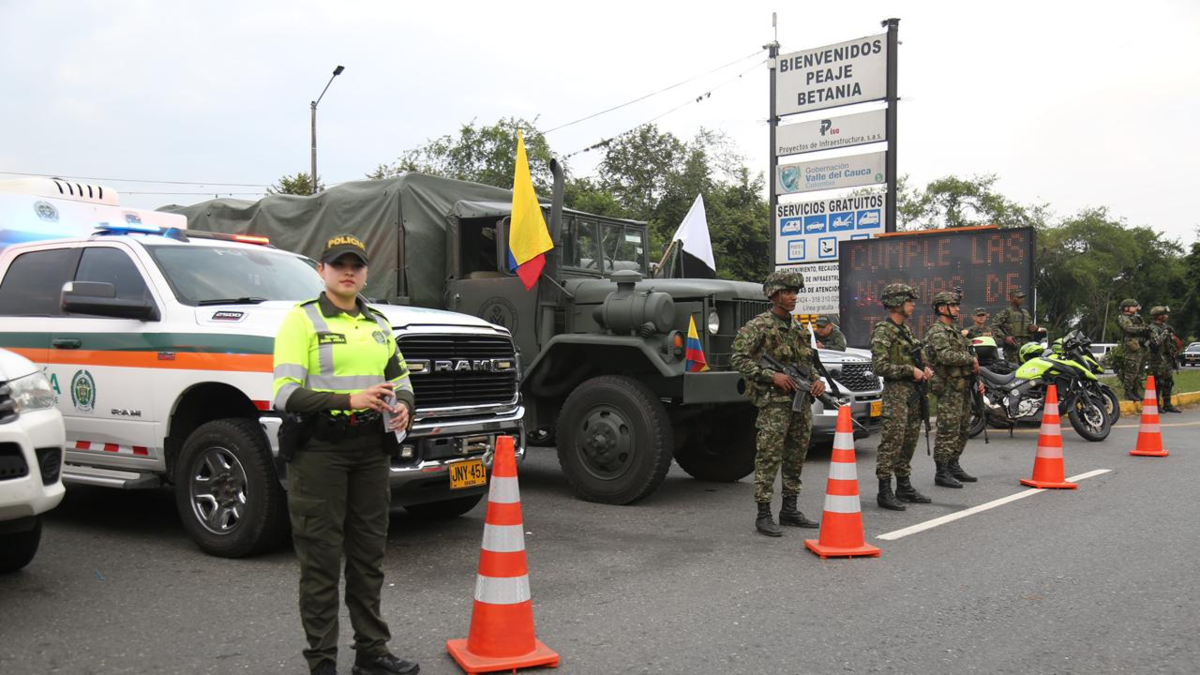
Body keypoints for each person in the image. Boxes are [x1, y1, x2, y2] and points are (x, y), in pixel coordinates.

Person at [273, 234, 420, 675]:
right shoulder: (302, 321)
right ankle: (322, 664)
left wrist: (405, 406)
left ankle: (372, 653)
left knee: (368, 557)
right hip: (321, 452)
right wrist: (348, 400)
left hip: (370, 452)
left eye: (356, 265)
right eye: (339, 265)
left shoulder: (377, 323)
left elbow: (403, 377)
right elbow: (284, 395)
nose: (349, 272)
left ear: (366, 272)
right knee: (320, 561)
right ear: (322, 271)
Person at [731, 270, 826, 537]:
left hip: (800, 403)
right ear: (774, 294)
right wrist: (773, 376)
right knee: (769, 457)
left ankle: (789, 509)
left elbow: (807, 364)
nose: (793, 296)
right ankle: (764, 514)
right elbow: (739, 359)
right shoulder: (758, 326)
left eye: (795, 292)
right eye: (787, 292)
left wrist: (817, 381)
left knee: (796, 457)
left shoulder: (797, 328)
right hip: (774, 404)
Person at [870, 283, 932, 511]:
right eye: (908, 301)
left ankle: (904, 486)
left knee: (909, 441)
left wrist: (925, 369)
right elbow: (880, 366)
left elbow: (918, 358)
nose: (912, 305)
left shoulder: (905, 330)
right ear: (896, 304)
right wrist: (909, 370)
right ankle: (884, 490)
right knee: (892, 442)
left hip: (913, 395)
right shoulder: (883, 331)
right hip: (896, 395)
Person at [925, 292, 981, 488]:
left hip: (963, 386)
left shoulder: (955, 331)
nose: (957, 308)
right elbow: (946, 356)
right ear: (942, 308)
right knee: (948, 429)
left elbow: (968, 352)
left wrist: (977, 378)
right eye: (953, 305)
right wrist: (970, 360)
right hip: (948, 387)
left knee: (963, 428)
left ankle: (953, 464)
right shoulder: (937, 332)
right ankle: (942, 472)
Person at [1147, 306, 1183, 413]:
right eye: (1165, 314)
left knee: (1169, 382)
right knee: (1159, 382)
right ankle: (1156, 405)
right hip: (1157, 360)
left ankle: (1167, 404)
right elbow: (1156, 342)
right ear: (1158, 316)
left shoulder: (1166, 327)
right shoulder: (1152, 328)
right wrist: (1165, 332)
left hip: (1167, 359)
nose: (1167, 316)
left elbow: (1171, 342)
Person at [1116, 298, 1151, 402]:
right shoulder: (1123, 318)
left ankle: (1135, 391)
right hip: (1132, 348)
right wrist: (1144, 328)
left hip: (1142, 347)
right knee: (1131, 371)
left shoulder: (1138, 318)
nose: (1136, 308)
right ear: (1126, 308)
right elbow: (1129, 329)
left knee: (1139, 371)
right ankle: (1128, 393)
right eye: (1133, 306)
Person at [992, 288, 1040, 360]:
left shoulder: (1025, 313)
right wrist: (1005, 337)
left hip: (1026, 346)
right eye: (1019, 297)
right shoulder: (1006, 312)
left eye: (1022, 297)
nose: (1021, 299)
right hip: (1012, 346)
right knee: (1014, 368)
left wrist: (1034, 328)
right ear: (1012, 298)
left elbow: (1030, 326)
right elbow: (994, 326)